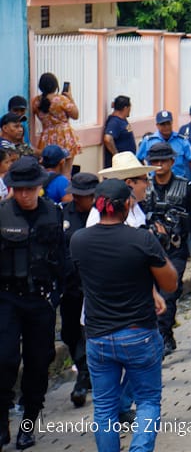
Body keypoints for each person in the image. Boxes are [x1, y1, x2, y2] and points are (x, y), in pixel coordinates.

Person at [70, 179, 178, 452]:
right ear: (128, 206)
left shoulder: (79, 240)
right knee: (147, 402)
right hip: (138, 332)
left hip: (98, 337)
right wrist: (158, 251)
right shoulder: (142, 239)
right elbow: (170, 284)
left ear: (97, 205)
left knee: (104, 408)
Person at [0, 157, 69, 451]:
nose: (24, 194)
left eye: (29, 188)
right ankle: (1, 425)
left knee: (39, 363)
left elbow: (64, 261)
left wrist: (58, 295)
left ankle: (27, 425)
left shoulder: (54, 214)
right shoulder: (1, 214)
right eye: (19, 189)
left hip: (40, 300)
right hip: (6, 298)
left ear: (39, 186)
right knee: (3, 361)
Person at [143, 142, 191, 356]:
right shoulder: (144, 188)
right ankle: (162, 335)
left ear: (171, 162)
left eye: (163, 160)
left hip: (175, 250)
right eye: (154, 161)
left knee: (169, 293)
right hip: (149, 251)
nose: (159, 165)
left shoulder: (185, 186)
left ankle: (164, 336)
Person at [59, 172, 99, 408]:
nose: (87, 200)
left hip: (94, 285)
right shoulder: (63, 216)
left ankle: (83, 378)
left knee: (88, 333)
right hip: (71, 285)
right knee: (69, 332)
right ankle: (85, 370)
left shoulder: (102, 216)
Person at [136, 110, 191, 193]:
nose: (166, 127)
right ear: (157, 125)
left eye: (168, 123)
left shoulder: (181, 140)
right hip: (155, 183)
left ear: (172, 123)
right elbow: (138, 159)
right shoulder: (148, 141)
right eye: (163, 124)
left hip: (179, 183)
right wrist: (144, 176)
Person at [32, 73, 81, 177]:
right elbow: (75, 115)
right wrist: (71, 98)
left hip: (46, 137)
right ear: (55, 86)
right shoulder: (61, 100)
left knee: (47, 171)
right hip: (64, 136)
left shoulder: (36, 101)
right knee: (66, 172)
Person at [102, 95, 137, 169]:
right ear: (126, 108)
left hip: (127, 164)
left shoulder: (122, 120)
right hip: (119, 166)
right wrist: (117, 156)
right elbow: (107, 139)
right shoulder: (114, 122)